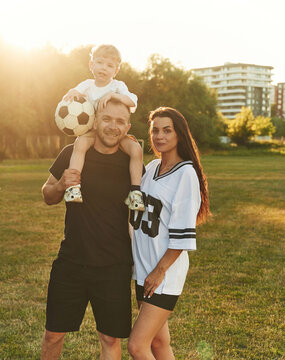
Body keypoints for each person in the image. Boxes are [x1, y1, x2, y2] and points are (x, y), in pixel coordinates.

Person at [40, 99, 136, 360]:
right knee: (53, 335)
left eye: (119, 121)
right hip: (71, 261)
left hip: (114, 264)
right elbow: (48, 195)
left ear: (127, 126)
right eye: (106, 119)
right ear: (95, 120)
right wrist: (61, 184)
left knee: (109, 338)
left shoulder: (131, 161)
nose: (112, 126)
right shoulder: (72, 153)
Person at [127, 107, 211, 359]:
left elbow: (182, 236)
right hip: (142, 269)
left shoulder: (186, 174)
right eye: (155, 130)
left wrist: (159, 270)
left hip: (162, 274)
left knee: (136, 346)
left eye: (167, 130)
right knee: (159, 343)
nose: (159, 136)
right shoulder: (151, 168)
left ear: (179, 135)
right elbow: (136, 206)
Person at [61, 44, 145, 211]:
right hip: (93, 132)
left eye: (109, 65)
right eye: (100, 63)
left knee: (136, 149)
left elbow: (133, 102)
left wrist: (114, 96)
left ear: (115, 71)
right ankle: (73, 188)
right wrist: (72, 94)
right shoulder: (86, 85)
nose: (104, 68)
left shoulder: (118, 86)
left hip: (114, 134)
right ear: (91, 65)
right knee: (79, 146)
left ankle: (135, 193)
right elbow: (72, 95)